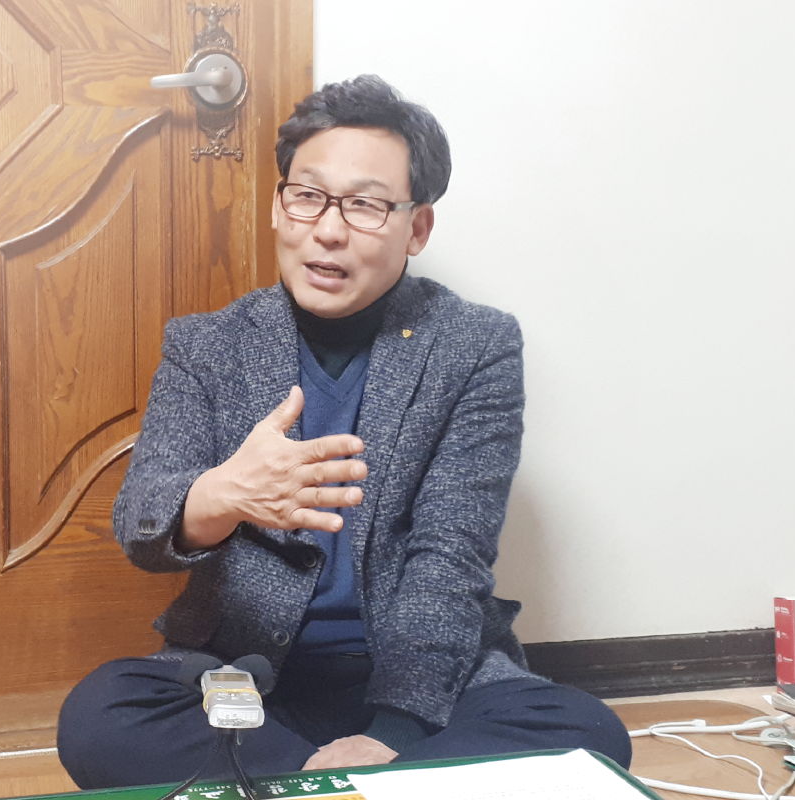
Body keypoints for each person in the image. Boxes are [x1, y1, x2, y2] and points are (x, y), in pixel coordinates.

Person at [57, 75, 631, 790]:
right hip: (250, 679)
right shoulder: (207, 345)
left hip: (424, 681)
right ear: (279, 206)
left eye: (365, 205)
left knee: (588, 734)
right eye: (308, 196)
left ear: (417, 228)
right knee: (101, 715)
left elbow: (450, 553)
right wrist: (223, 494)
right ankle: (358, 786)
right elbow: (141, 527)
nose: (328, 230)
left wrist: (393, 733)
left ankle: (303, 786)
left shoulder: (474, 346)